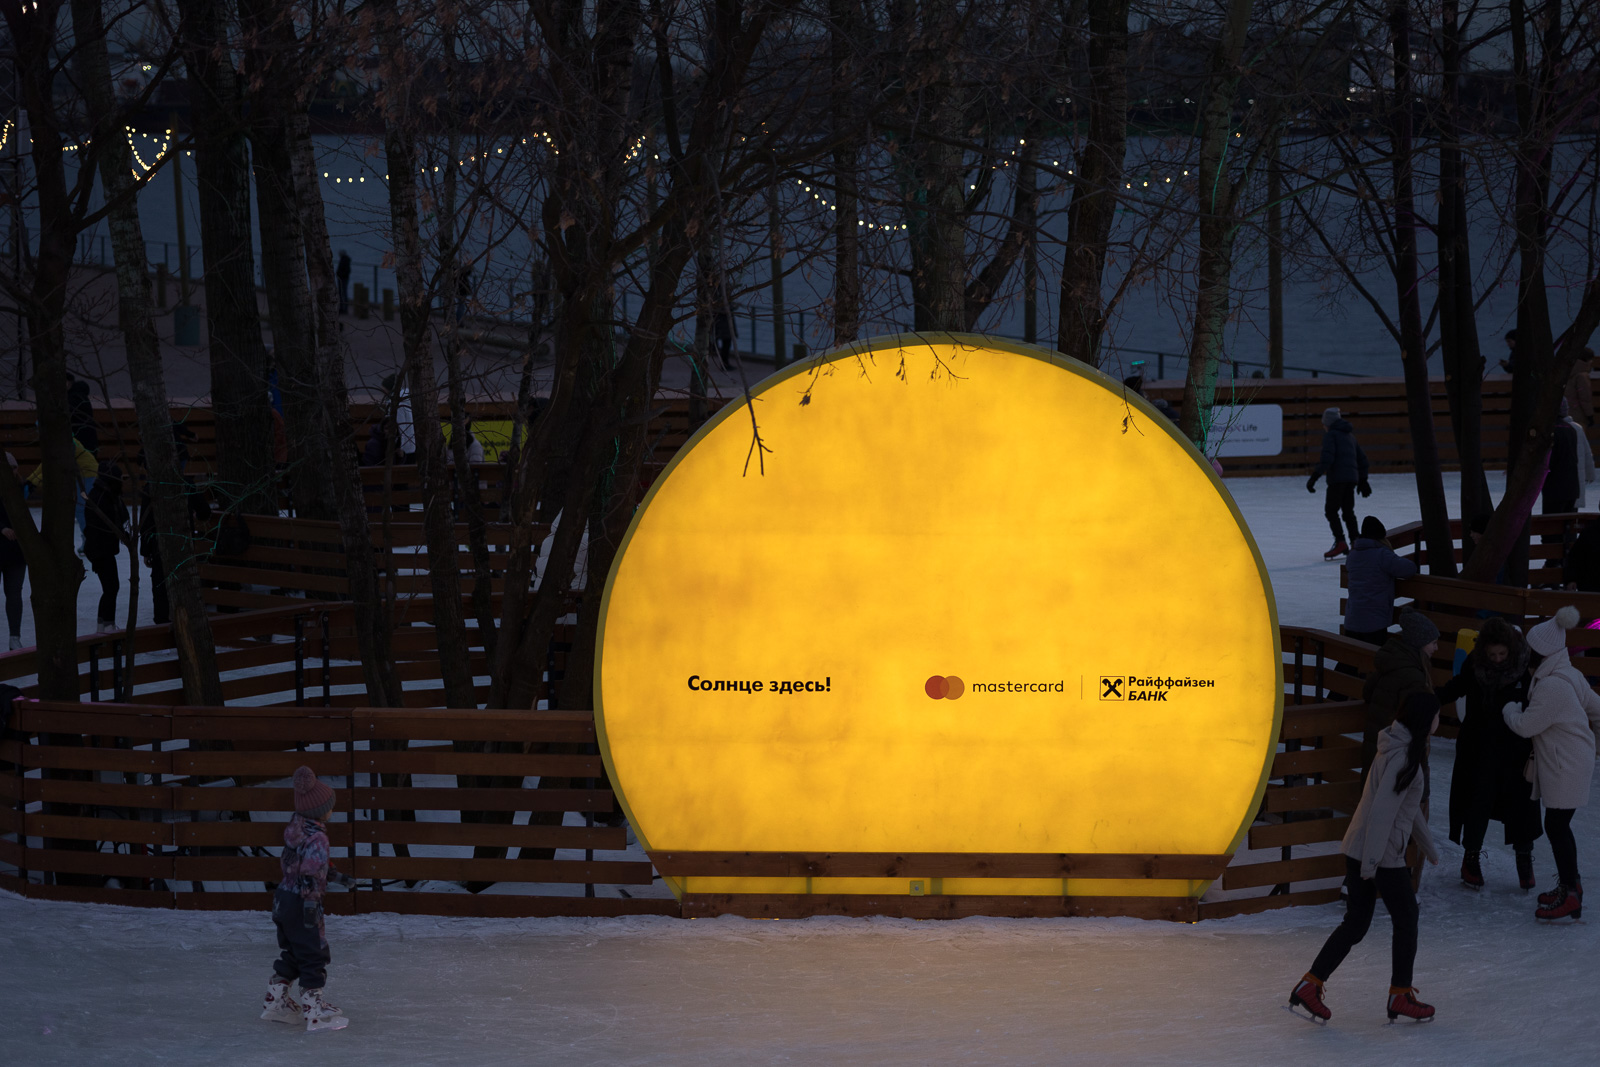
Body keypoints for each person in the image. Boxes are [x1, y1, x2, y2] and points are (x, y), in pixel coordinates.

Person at [1287, 692, 1441, 1025]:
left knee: (1357, 923)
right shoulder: (1403, 759)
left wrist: (1428, 848)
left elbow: (1407, 810)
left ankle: (1309, 985)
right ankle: (1400, 995)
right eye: (1436, 715)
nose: (1439, 720)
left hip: (1364, 849)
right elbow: (1383, 815)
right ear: (1425, 720)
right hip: (1380, 854)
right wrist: (1372, 864)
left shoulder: (1395, 748)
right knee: (1407, 918)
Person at [1501, 606, 1600, 921]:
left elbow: (1526, 726)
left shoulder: (1551, 685)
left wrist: (1509, 709)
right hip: (1572, 758)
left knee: (1556, 826)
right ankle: (1572, 887)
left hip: (1565, 763)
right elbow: (1596, 707)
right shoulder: (1567, 673)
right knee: (1559, 825)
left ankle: (1570, 892)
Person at [1435, 616, 1541, 889]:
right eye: (1491, 654)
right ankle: (1471, 859)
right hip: (1478, 747)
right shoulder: (1475, 664)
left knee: (1521, 804)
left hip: (1515, 748)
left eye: (1501, 654)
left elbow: (1536, 704)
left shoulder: (1522, 669)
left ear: (1510, 650)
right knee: (1476, 802)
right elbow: (1457, 686)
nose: (1496, 659)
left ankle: (1524, 859)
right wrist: (1431, 699)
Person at [260, 766, 354, 1031]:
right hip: (303, 901)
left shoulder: (297, 829)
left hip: (283, 899)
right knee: (314, 954)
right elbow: (312, 872)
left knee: (293, 951)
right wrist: (312, 905)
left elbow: (304, 865)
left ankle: (275, 1000)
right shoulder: (318, 837)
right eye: (329, 806)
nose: (332, 811)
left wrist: (337, 877)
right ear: (319, 810)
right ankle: (314, 1009)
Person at [1361, 609, 1438, 784]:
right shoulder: (1414, 677)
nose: (1436, 648)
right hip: (1398, 755)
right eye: (1433, 642)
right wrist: (1423, 783)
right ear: (1419, 643)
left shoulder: (1391, 662)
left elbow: (1367, 693)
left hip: (1377, 749)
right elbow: (1417, 727)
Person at [1307, 407, 1370, 560]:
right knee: (1348, 512)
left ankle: (1341, 542)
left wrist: (1314, 477)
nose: (1323, 427)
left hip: (1337, 480)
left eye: (1324, 424)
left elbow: (1327, 459)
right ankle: (1356, 542)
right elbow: (1362, 460)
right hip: (1351, 480)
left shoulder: (1331, 436)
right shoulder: (1350, 436)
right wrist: (1363, 480)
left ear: (1328, 423)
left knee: (1331, 510)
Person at [1343, 517, 1417, 646]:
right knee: (1375, 660)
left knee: (1351, 661)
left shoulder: (1353, 555)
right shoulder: (1382, 555)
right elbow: (1409, 569)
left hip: (1352, 619)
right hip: (1374, 622)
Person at [83, 463, 128, 634]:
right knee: (111, 587)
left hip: (103, 548)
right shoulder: (100, 497)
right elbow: (99, 526)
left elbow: (121, 518)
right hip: (100, 549)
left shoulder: (108, 496)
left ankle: (103, 623)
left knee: (110, 587)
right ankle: (107, 624)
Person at [0, 454, 26, 651]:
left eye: (15, 467)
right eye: (9, 467)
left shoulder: (21, 489)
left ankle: (14, 636)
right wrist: (2, 528)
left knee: (14, 594)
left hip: (16, 552)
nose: (13, 471)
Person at [1566, 347, 1595, 428]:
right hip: (1578, 414)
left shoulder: (1569, 372)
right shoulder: (1582, 375)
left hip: (1567, 413)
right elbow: (1585, 398)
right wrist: (1590, 415)